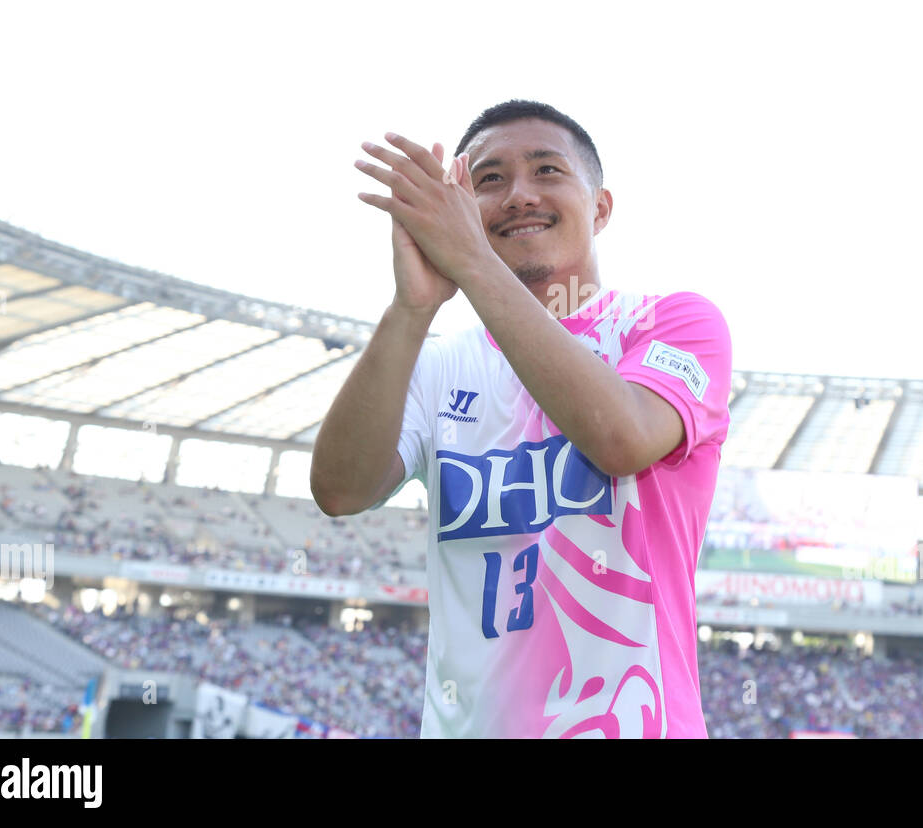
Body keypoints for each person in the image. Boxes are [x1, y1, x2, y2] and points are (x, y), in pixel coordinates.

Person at [311, 99, 731, 738]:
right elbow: (339, 491)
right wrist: (411, 308)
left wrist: (472, 264)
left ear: (601, 207)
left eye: (547, 170)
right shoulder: (437, 364)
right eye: (489, 180)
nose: (518, 195)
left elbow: (622, 439)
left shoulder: (672, 324)